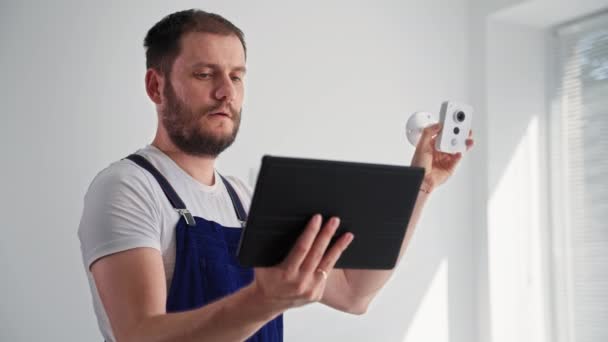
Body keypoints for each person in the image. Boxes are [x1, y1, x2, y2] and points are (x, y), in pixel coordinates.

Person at [78, 9, 474, 342]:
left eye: (236, 76)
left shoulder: (245, 200)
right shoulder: (128, 187)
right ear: (155, 86)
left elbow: (355, 292)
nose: (226, 92)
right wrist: (264, 300)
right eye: (204, 74)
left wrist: (421, 184)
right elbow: (140, 335)